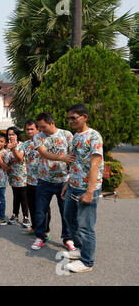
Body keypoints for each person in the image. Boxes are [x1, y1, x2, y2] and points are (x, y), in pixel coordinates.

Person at [61, 104, 104, 273]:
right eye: (68, 118)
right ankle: (79, 249)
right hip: (73, 185)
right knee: (69, 218)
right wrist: (67, 183)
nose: (70, 121)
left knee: (86, 226)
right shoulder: (76, 137)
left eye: (74, 118)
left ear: (85, 117)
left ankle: (87, 262)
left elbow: (95, 165)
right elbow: (74, 163)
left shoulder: (94, 136)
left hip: (87, 187)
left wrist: (90, 191)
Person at [31, 112, 75, 251]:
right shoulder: (38, 136)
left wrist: (71, 177)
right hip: (45, 180)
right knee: (40, 211)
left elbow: (73, 157)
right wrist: (61, 158)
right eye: (40, 127)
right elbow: (43, 153)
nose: (41, 130)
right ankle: (41, 236)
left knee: (66, 211)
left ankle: (68, 238)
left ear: (52, 123)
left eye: (44, 127)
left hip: (64, 181)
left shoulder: (67, 135)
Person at [21, 120, 51, 237]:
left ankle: (46, 230)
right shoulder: (26, 144)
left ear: (38, 130)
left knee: (44, 208)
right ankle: (34, 227)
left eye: (32, 129)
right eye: (27, 129)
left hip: (42, 180)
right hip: (29, 180)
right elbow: (20, 158)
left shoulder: (45, 141)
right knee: (32, 206)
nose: (29, 131)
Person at [6, 126, 30, 228]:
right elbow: (5, 160)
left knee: (23, 196)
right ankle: (15, 214)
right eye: (9, 134)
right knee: (16, 195)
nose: (11, 136)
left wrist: (13, 149)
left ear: (17, 135)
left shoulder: (22, 145)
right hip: (12, 174)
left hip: (22, 174)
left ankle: (26, 216)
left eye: (13, 134)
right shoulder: (6, 146)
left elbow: (20, 158)